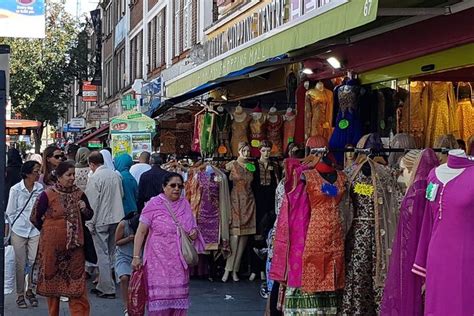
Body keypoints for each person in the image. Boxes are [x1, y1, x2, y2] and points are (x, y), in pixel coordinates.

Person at [132, 173, 205, 316]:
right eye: (172, 185)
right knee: (159, 303)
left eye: (179, 186)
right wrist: (136, 256)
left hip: (178, 261)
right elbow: (141, 232)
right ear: (163, 187)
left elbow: (193, 227)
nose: (177, 189)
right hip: (157, 261)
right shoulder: (153, 204)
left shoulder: (184, 204)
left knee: (178, 300)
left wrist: (194, 233)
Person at [30, 161, 93, 315]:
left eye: (73, 175)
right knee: (52, 288)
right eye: (68, 175)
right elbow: (35, 217)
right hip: (52, 249)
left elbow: (90, 215)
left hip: (74, 250)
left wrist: (84, 209)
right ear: (59, 177)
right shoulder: (47, 195)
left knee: (78, 286)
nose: (72, 178)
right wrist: (49, 231)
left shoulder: (79, 194)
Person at [85, 151, 124, 299]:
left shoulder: (95, 178)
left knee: (102, 254)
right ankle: (105, 284)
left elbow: (92, 202)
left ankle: (107, 288)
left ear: (92, 164)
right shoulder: (115, 175)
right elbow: (121, 195)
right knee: (110, 252)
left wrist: (90, 222)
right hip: (116, 218)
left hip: (101, 219)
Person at [6, 161, 43, 309]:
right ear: (27, 173)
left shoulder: (39, 189)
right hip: (19, 230)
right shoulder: (16, 189)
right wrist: (12, 228)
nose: (38, 174)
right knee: (20, 264)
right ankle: (20, 295)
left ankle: (31, 290)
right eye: (36, 171)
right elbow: (10, 211)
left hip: (34, 230)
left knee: (34, 261)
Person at [115, 212, 140, 316]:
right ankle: (126, 306)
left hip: (138, 256)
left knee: (137, 283)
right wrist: (128, 239)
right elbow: (116, 242)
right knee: (124, 277)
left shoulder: (144, 227)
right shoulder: (123, 224)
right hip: (123, 255)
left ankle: (136, 305)